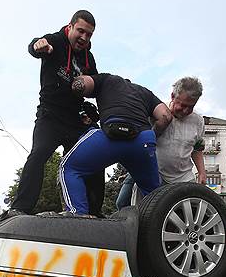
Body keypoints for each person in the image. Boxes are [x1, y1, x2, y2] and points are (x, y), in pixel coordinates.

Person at [0, 10, 101, 220]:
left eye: (88, 34)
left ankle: (94, 211)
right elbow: (36, 45)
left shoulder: (88, 59)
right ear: (70, 26)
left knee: (94, 155)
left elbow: (96, 86)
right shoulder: (55, 41)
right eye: (80, 31)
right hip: (50, 115)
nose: (83, 38)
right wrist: (38, 46)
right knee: (39, 153)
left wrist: (96, 110)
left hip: (75, 118)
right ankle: (20, 207)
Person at [60, 73, 172, 215]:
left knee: (69, 168)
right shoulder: (145, 92)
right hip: (142, 140)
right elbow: (166, 116)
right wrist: (151, 136)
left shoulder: (107, 79)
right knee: (155, 195)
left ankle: (78, 214)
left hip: (111, 135)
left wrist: (75, 81)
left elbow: (84, 84)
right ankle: (168, 225)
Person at [156, 77, 206, 185]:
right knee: (123, 201)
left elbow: (197, 149)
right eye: (183, 105)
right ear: (173, 96)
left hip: (184, 178)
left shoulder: (198, 121)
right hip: (156, 174)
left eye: (191, 107)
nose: (186, 110)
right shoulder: (157, 113)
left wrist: (202, 172)